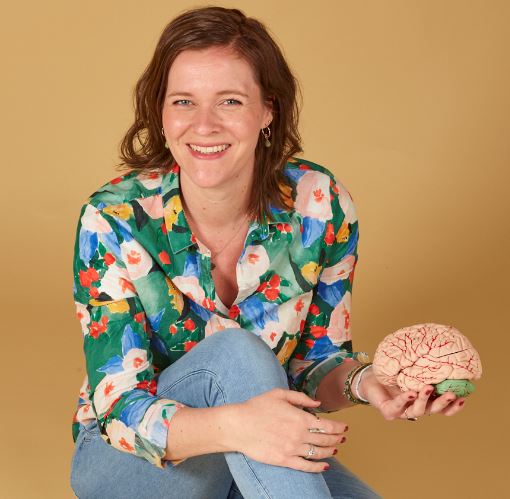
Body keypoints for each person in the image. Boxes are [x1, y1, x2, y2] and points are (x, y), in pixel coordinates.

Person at [70, 7, 466, 499]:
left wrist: (368, 383)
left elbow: (312, 363)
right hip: (130, 463)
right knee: (236, 350)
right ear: (161, 113)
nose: (204, 125)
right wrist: (238, 427)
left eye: (230, 101)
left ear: (267, 110)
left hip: (254, 448)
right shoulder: (113, 218)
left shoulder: (320, 204)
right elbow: (119, 410)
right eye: (183, 101)